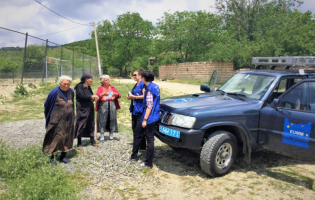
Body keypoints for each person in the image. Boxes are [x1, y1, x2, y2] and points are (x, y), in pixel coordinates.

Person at [43, 75, 75, 165]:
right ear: (60, 83)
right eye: (64, 84)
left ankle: (63, 156)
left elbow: (72, 103)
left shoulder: (71, 91)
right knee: (56, 137)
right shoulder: (54, 92)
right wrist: (49, 118)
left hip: (69, 119)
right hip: (57, 119)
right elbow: (47, 105)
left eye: (68, 84)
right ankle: (52, 157)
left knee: (67, 137)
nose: (66, 86)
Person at [135, 70, 160, 169]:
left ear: (144, 78)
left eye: (142, 77)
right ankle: (148, 161)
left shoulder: (149, 89)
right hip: (155, 115)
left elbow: (149, 106)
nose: (141, 78)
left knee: (150, 140)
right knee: (150, 139)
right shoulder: (155, 86)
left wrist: (145, 119)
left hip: (150, 117)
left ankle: (148, 163)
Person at [74, 73, 99, 150]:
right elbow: (81, 96)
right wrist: (92, 96)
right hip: (82, 107)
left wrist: (94, 98)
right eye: (90, 79)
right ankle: (79, 142)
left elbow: (89, 96)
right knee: (81, 123)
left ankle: (92, 139)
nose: (92, 80)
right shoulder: (79, 86)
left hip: (90, 106)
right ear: (86, 79)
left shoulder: (89, 87)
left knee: (91, 122)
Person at [95, 75, 121, 141]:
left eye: (108, 79)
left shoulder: (112, 87)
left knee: (112, 118)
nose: (108, 81)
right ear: (102, 81)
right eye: (106, 80)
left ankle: (111, 134)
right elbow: (97, 96)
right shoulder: (100, 88)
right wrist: (103, 94)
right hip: (103, 105)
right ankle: (102, 135)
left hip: (112, 104)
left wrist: (116, 94)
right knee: (102, 119)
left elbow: (119, 95)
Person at [129, 68, 147, 161]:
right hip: (134, 109)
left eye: (135, 75)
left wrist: (134, 96)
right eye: (133, 75)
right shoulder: (135, 85)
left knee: (137, 131)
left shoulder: (142, 85)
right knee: (135, 128)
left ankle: (135, 154)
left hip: (140, 110)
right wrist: (130, 97)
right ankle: (142, 146)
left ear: (140, 75)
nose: (134, 76)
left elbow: (144, 96)